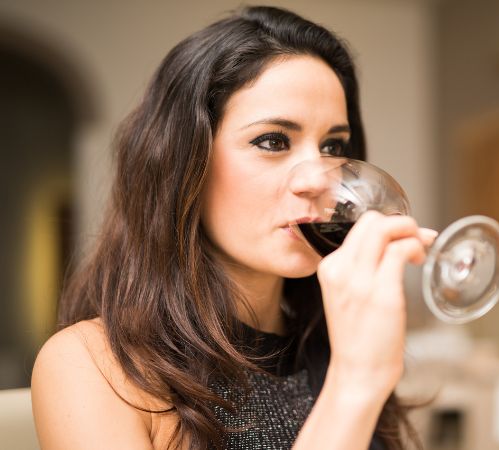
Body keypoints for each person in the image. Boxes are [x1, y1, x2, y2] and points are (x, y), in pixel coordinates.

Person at [30, 5, 436, 450]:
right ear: (185, 164)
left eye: (332, 146)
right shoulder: (92, 366)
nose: (317, 178)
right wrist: (355, 382)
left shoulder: (335, 339)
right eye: (273, 141)